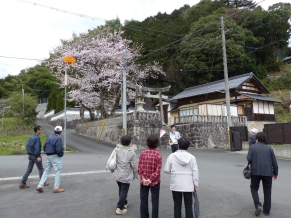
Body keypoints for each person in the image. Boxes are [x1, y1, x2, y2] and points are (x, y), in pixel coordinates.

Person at [164, 137, 199, 218]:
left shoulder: (172, 156)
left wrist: (173, 172)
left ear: (178, 146)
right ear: (188, 146)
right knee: (188, 206)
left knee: (177, 205)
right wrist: (195, 185)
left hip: (176, 183)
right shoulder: (192, 158)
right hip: (188, 184)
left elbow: (166, 169)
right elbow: (195, 172)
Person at [247, 132, 278, 217]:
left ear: (257, 139)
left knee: (254, 188)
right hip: (268, 173)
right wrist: (275, 173)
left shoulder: (252, 147)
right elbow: (274, 162)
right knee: (267, 192)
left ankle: (258, 205)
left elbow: (249, 158)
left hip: (255, 172)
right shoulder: (269, 149)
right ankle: (267, 211)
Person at [112, 135, 138, 215]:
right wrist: (135, 174)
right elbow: (134, 165)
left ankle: (124, 202)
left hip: (117, 173)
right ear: (130, 142)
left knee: (121, 189)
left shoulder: (117, 149)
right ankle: (119, 208)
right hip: (126, 174)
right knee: (124, 191)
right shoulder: (131, 152)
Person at [138, 134, 162, 218]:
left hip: (143, 181)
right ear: (156, 143)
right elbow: (157, 171)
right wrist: (150, 179)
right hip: (155, 181)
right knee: (155, 201)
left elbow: (139, 168)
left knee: (143, 200)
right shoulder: (158, 155)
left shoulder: (143, 153)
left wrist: (144, 178)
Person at [36, 126, 64, 193]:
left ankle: (40, 185)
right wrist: (61, 154)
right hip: (55, 156)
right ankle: (56, 188)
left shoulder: (49, 137)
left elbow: (45, 146)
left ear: (54, 131)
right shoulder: (58, 138)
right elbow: (59, 149)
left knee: (46, 171)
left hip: (49, 155)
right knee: (58, 171)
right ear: (61, 132)